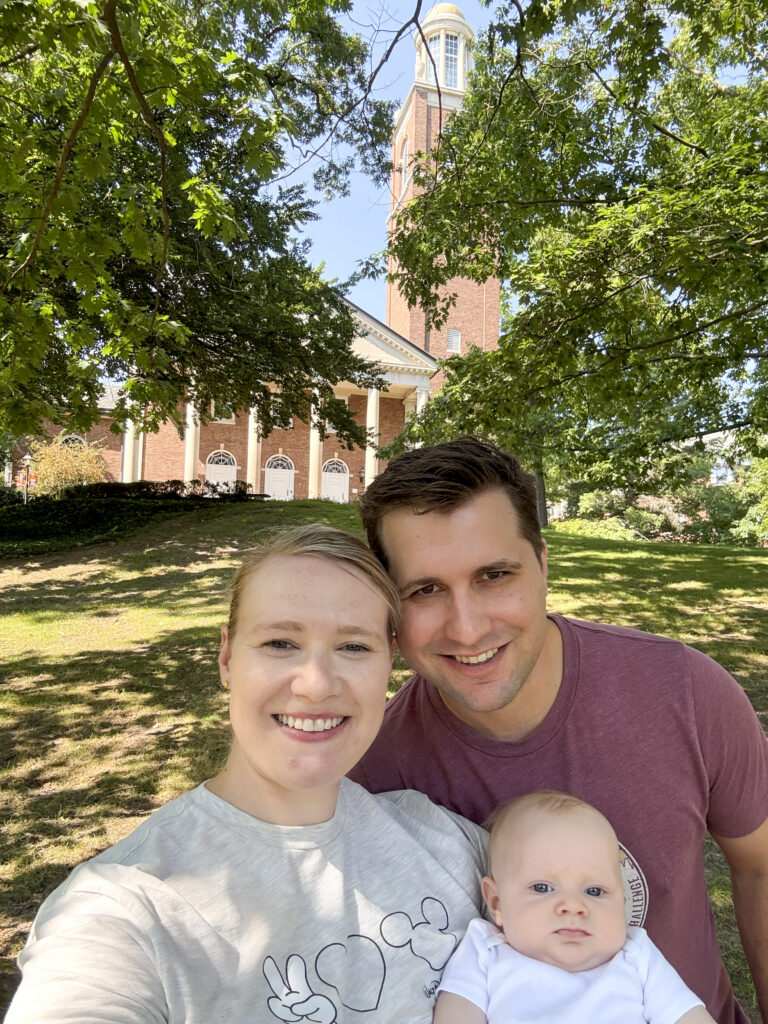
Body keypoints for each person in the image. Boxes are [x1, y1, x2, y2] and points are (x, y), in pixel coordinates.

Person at [349, 436, 768, 1024]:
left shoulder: (685, 690)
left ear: (544, 565)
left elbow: (760, 866)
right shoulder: (375, 774)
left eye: (494, 575)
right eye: (425, 590)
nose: (467, 628)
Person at [6, 524, 488, 1024]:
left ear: (389, 664)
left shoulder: (440, 839)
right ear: (227, 658)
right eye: (280, 643)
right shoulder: (126, 906)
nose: (316, 685)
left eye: (354, 647)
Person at [434, 790, 716, 1024]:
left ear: (622, 902)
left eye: (595, 891)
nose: (573, 905)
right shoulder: (484, 952)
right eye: (542, 888)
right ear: (496, 902)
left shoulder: (637, 955)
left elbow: (689, 1017)